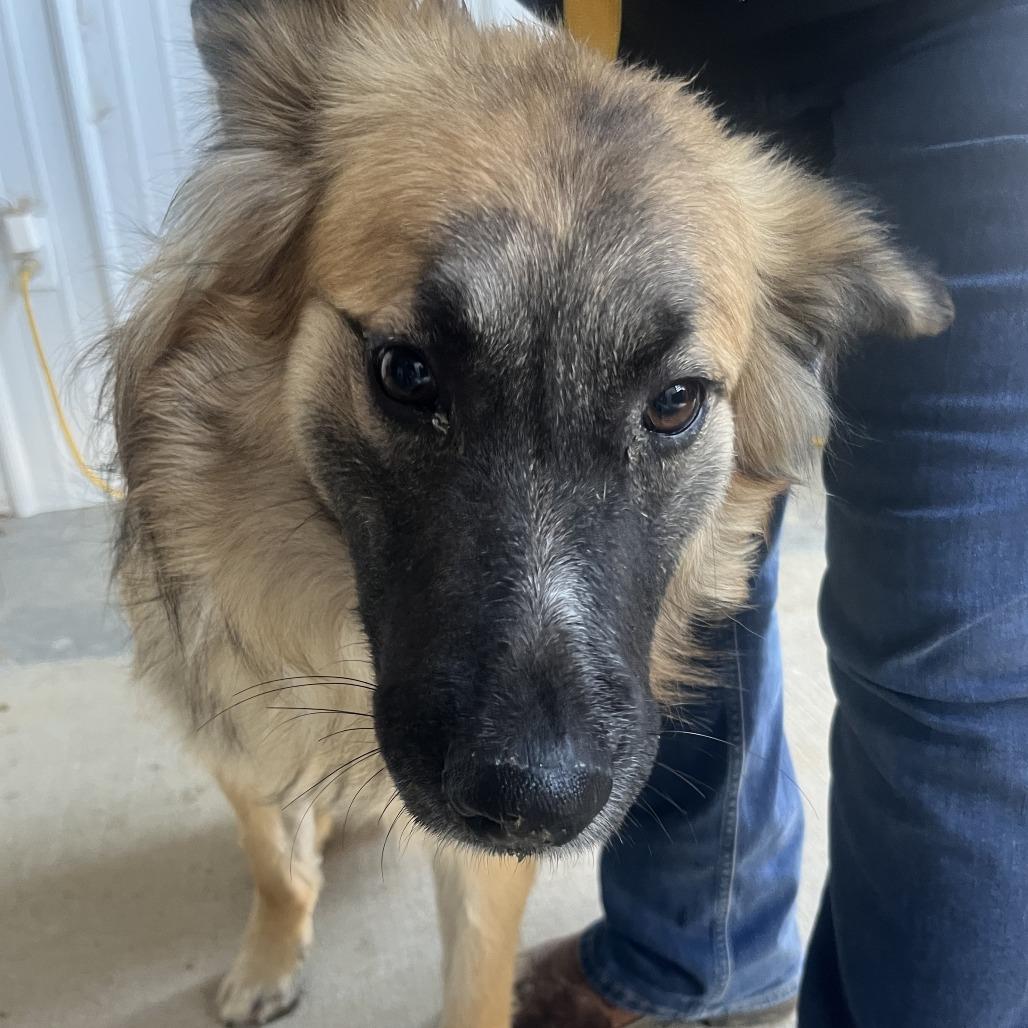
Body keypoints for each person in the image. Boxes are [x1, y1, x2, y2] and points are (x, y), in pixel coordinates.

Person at [513, 2, 1028, 1025]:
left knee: (950, 659)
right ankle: (689, 951)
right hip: (660, 31)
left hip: (969, 35)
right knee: (682, 565)